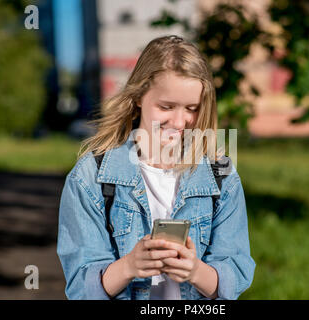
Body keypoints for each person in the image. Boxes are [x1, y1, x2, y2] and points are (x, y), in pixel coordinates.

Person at [57, 35, 256, 300]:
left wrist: (195, 271)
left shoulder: (222, 176)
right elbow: (80, 288)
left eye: (192, 108)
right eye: (166, 106)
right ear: (139, 96)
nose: (179, 121)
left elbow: (235, 276)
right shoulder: (90, 177)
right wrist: (128, 266)